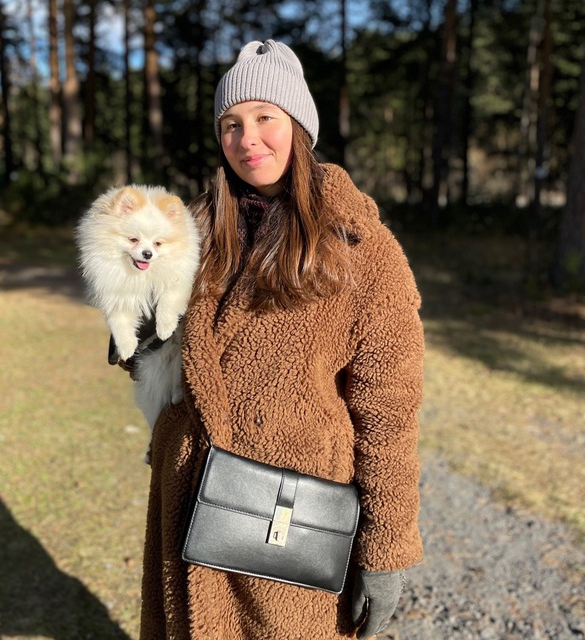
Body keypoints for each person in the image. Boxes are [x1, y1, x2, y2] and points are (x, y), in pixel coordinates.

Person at [137, 39, 424, 640]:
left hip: (290, 517)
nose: (248, 139)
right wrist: (136, 333)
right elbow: (160, 359)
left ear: (299, 126)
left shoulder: (361, 249)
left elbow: (389, 411)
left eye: (265, 117)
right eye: (231, 124)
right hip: (187, 495)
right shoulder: (187, 234)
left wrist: (386, 548)